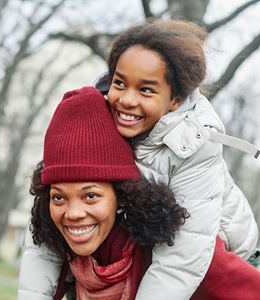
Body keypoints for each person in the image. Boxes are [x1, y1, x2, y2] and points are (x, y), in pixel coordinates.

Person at [18, 19, 260, 299]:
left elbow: (182, 258)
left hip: (225, 252)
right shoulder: (99, 118)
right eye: (119, 83)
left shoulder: (195, 147)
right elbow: (43, 234)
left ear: (175, 100)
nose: (127, 100)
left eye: (146, 90)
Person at [29, 86, 189, 299]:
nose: (73, 213)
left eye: (91, 196)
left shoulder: (181, 249)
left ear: (122, 196)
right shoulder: (66, 259)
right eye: (59, 197)